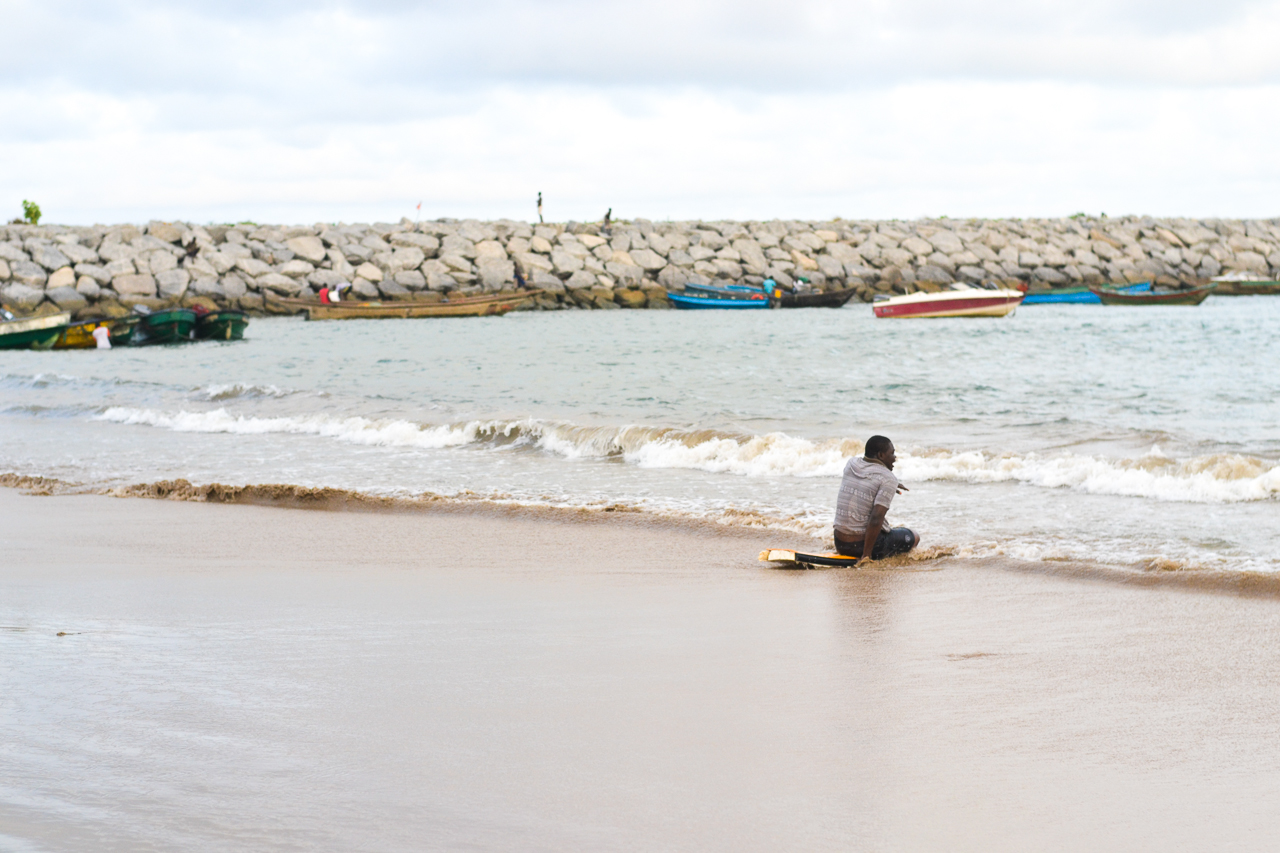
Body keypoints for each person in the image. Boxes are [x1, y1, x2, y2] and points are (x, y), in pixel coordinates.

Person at [833, 435, 918, 563]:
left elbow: (864, 481)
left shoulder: (851, 463)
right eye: (892, 453)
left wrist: (890, 485)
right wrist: (866, 556)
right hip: (860, 547)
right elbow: (876, 518)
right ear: (881, 455)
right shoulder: (888, 478)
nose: (895, 458)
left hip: (840, 544)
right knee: (914, 536)